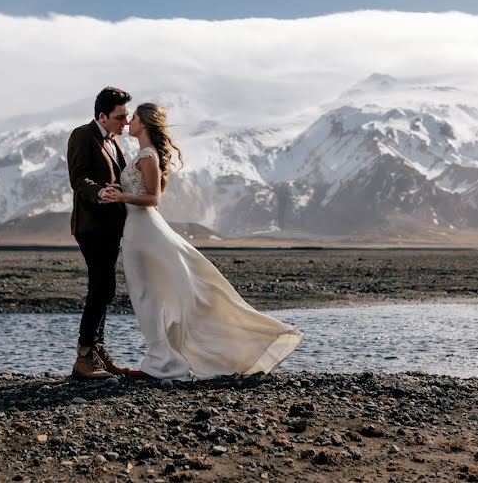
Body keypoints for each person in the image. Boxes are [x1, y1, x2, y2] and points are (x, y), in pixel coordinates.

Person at [101, 103, 302, 380]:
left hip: (145, 230)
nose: (129, 122)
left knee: (148, 295)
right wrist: (119, 190)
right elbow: (140, 192)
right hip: (136, 230)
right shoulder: (141, 155)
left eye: (133, 117)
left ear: (144, 124)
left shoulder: (148, 156)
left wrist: (122, 197)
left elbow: (153, 199)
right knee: (148, 295)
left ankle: (164, 364)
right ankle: (161, 361)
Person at [67, 86, 133, 379]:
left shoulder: (113, 142)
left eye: (127, 116)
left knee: (106, 288)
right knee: (101, 287)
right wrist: (99, 192)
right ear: (102, 116)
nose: (126, 123)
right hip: (92, 226)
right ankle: (84, 356)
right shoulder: (83, 135)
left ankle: (97, 352)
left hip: (111, 228)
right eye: (120, 117)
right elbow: (78, 178)